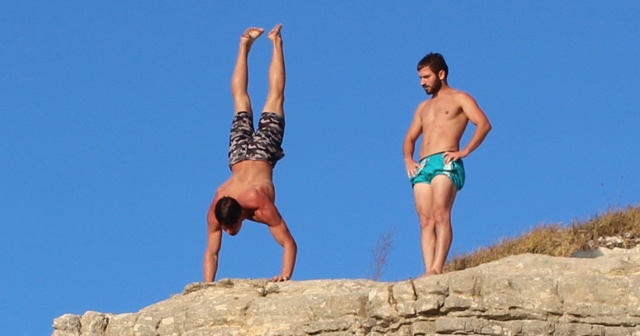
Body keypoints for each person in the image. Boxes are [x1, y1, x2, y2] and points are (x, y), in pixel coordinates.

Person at [203, 24, 297, 282]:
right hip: (241, 155)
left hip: (259, 153)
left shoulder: (258, 203)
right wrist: (207, 287)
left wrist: (284, 277)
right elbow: (212, 252)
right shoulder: (217, 207)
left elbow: (289, 243)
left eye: (230, 228)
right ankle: (247, 44)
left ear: (242, 214)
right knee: (245, 100)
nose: (229, 233)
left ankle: (274, 42)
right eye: (226, 228)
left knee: (271, 97)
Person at [402, 53, 492, 276]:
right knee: (425, 219)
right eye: (420, 78)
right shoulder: (423, 107)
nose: (422, 82)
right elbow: (409, 138)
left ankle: (437, 268)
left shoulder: (461, 98)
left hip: (446, 160)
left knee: (441, 213)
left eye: (426, 77)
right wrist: (408, 158)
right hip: (423, 165)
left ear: (441, 74)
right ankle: (427, 270)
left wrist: (466, 150)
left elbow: (483, 124)